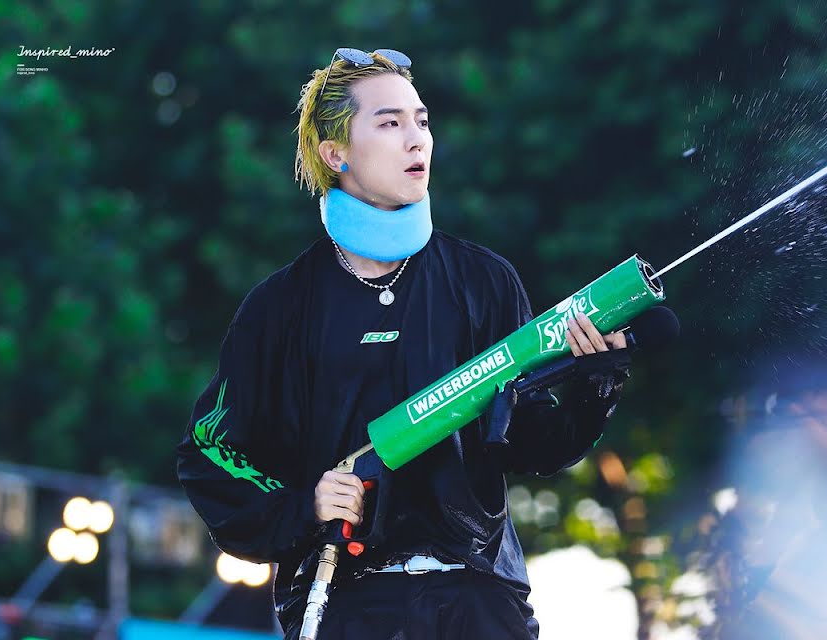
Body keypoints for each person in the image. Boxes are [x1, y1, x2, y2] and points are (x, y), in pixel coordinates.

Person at [176, 48, 629, 639]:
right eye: (390, 123)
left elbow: (531, 443)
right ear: (335, 153)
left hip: (478, 599)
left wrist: (595, 385)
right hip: (342, 602)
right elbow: (208, 452)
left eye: (422, 121)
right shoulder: (279, 307)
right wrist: (304, 505)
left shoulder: (485, 280)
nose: (418, 140)